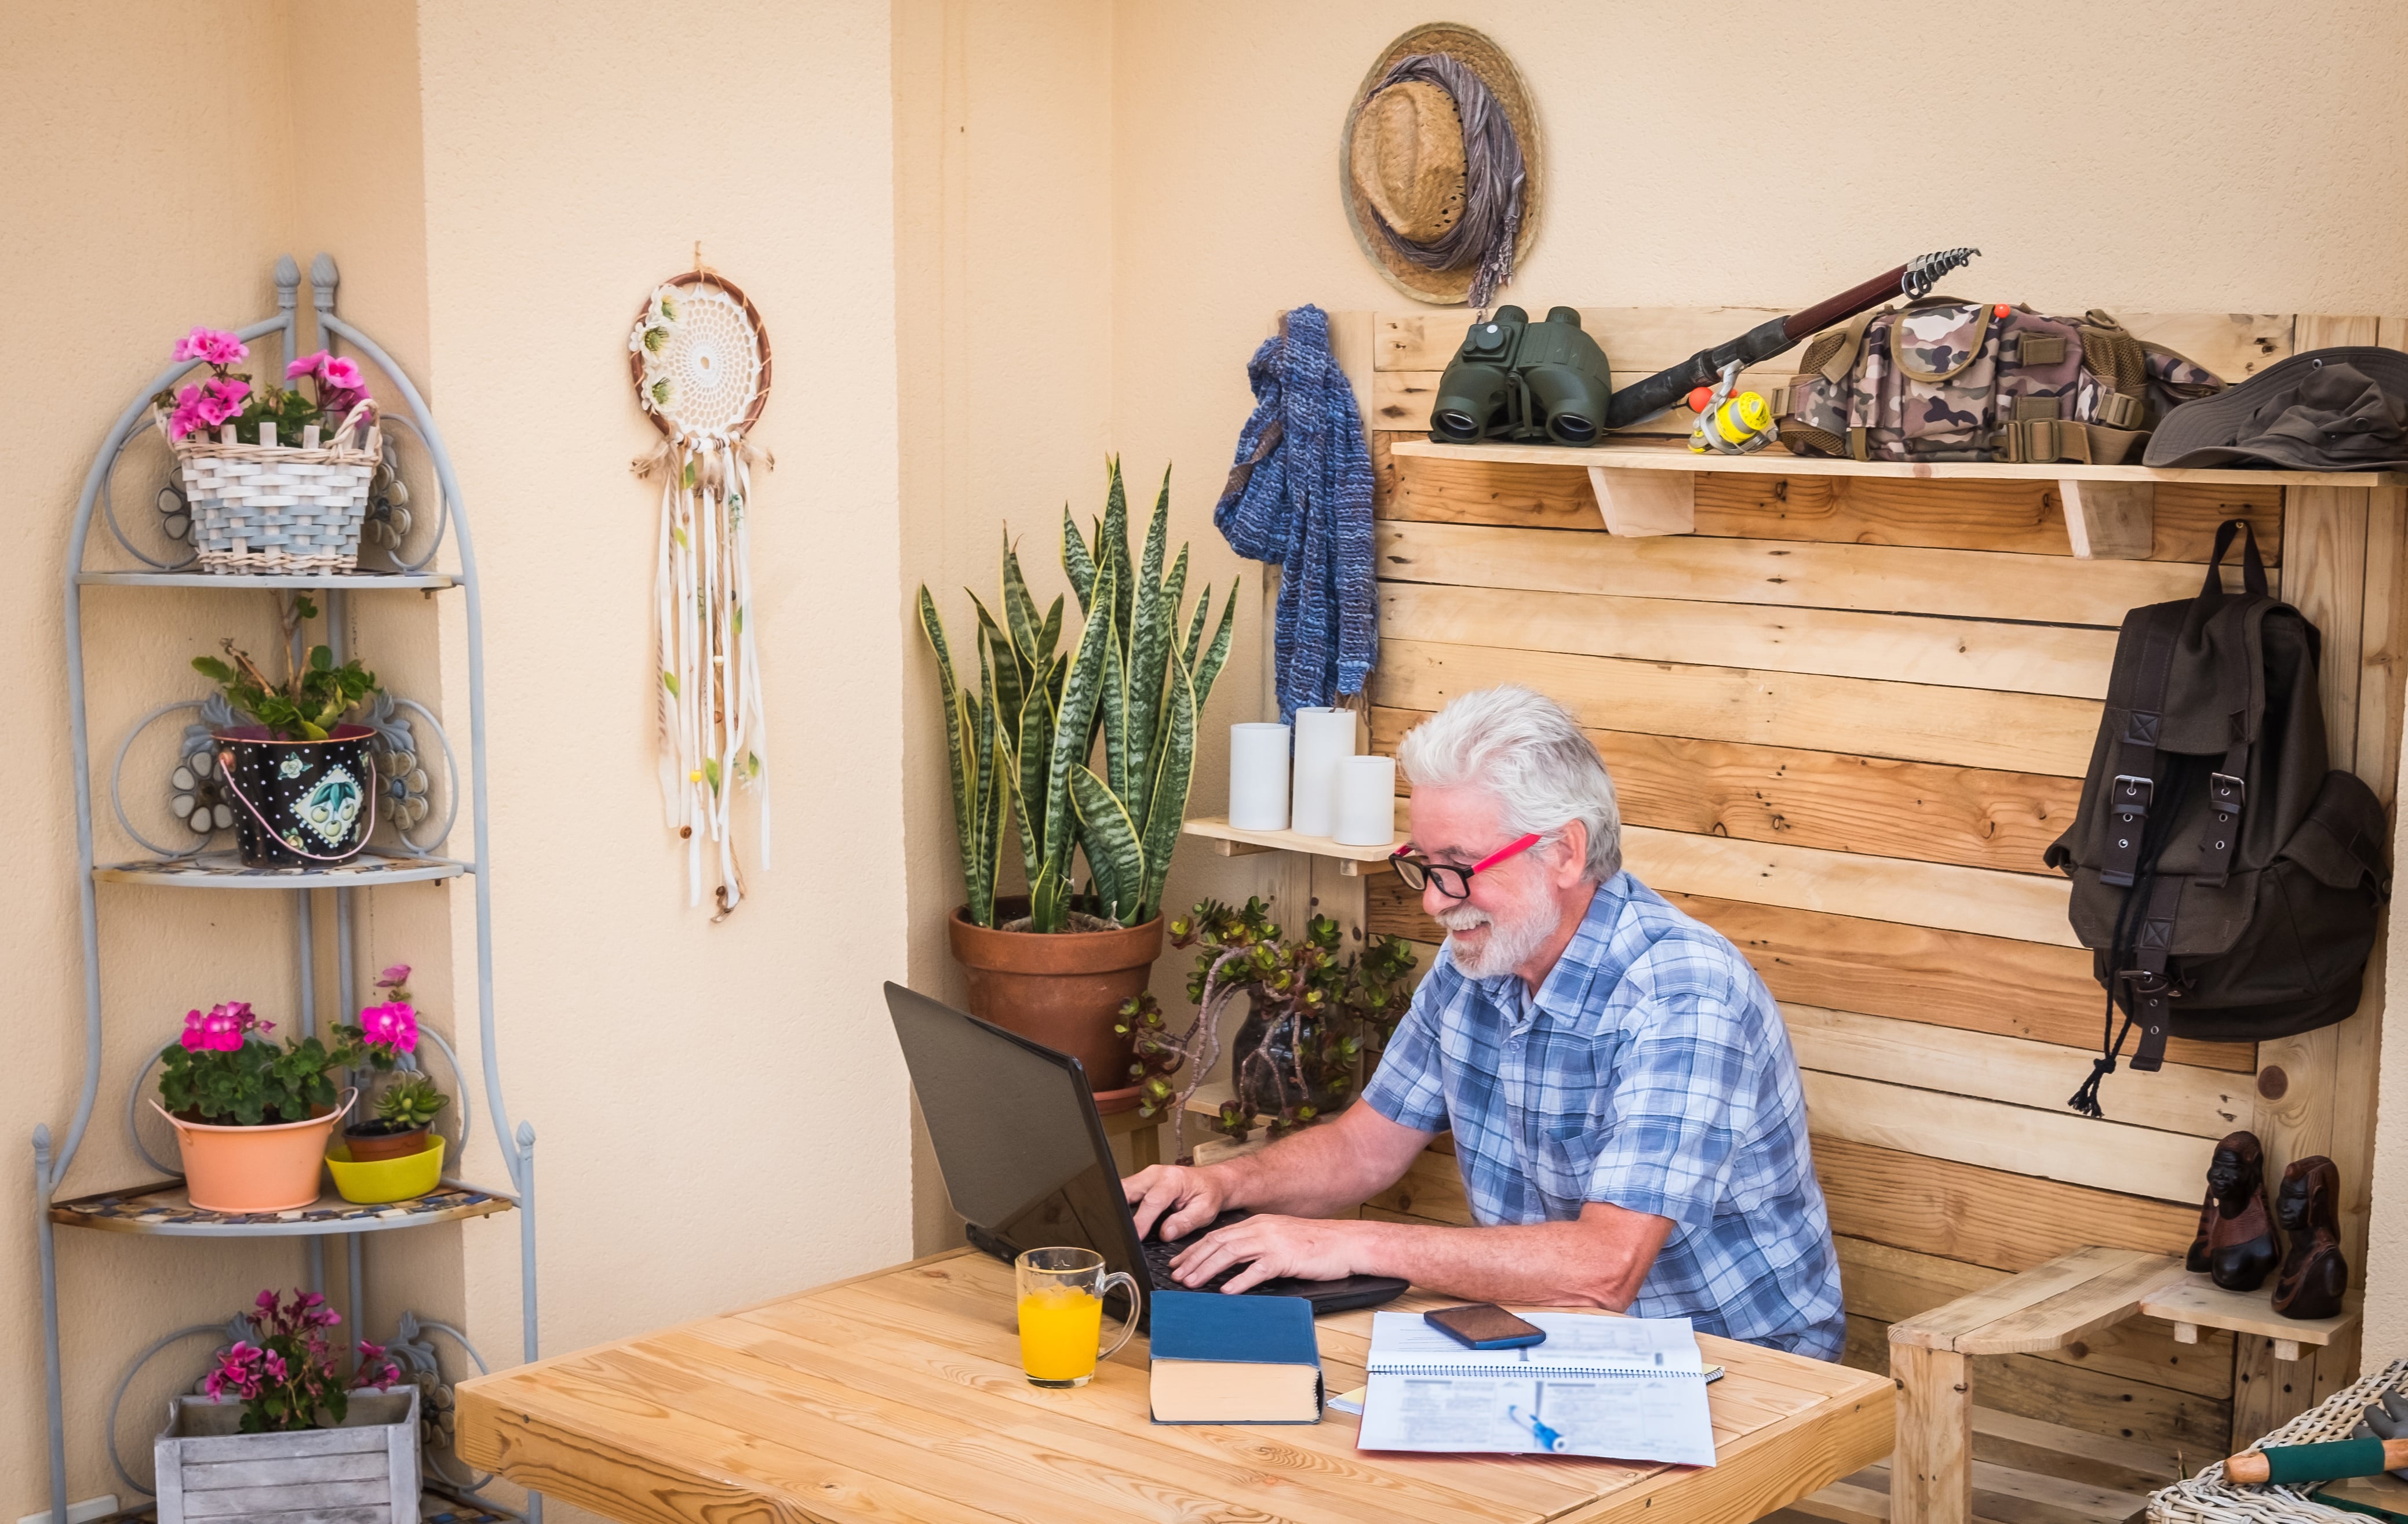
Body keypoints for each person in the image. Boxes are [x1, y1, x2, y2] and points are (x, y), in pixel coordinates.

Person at [1122, 685, 1845, 1358]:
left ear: (1564, 852)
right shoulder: (1480, 958)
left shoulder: (1684, 994)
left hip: (1731, 1364)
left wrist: (1347, 1243)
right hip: (1545, 1331)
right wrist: (1227, 1187)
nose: (1436, 902)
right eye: (1425, 865)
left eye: (1459, 866)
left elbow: (1605, 1266)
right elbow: (1365, 1150)